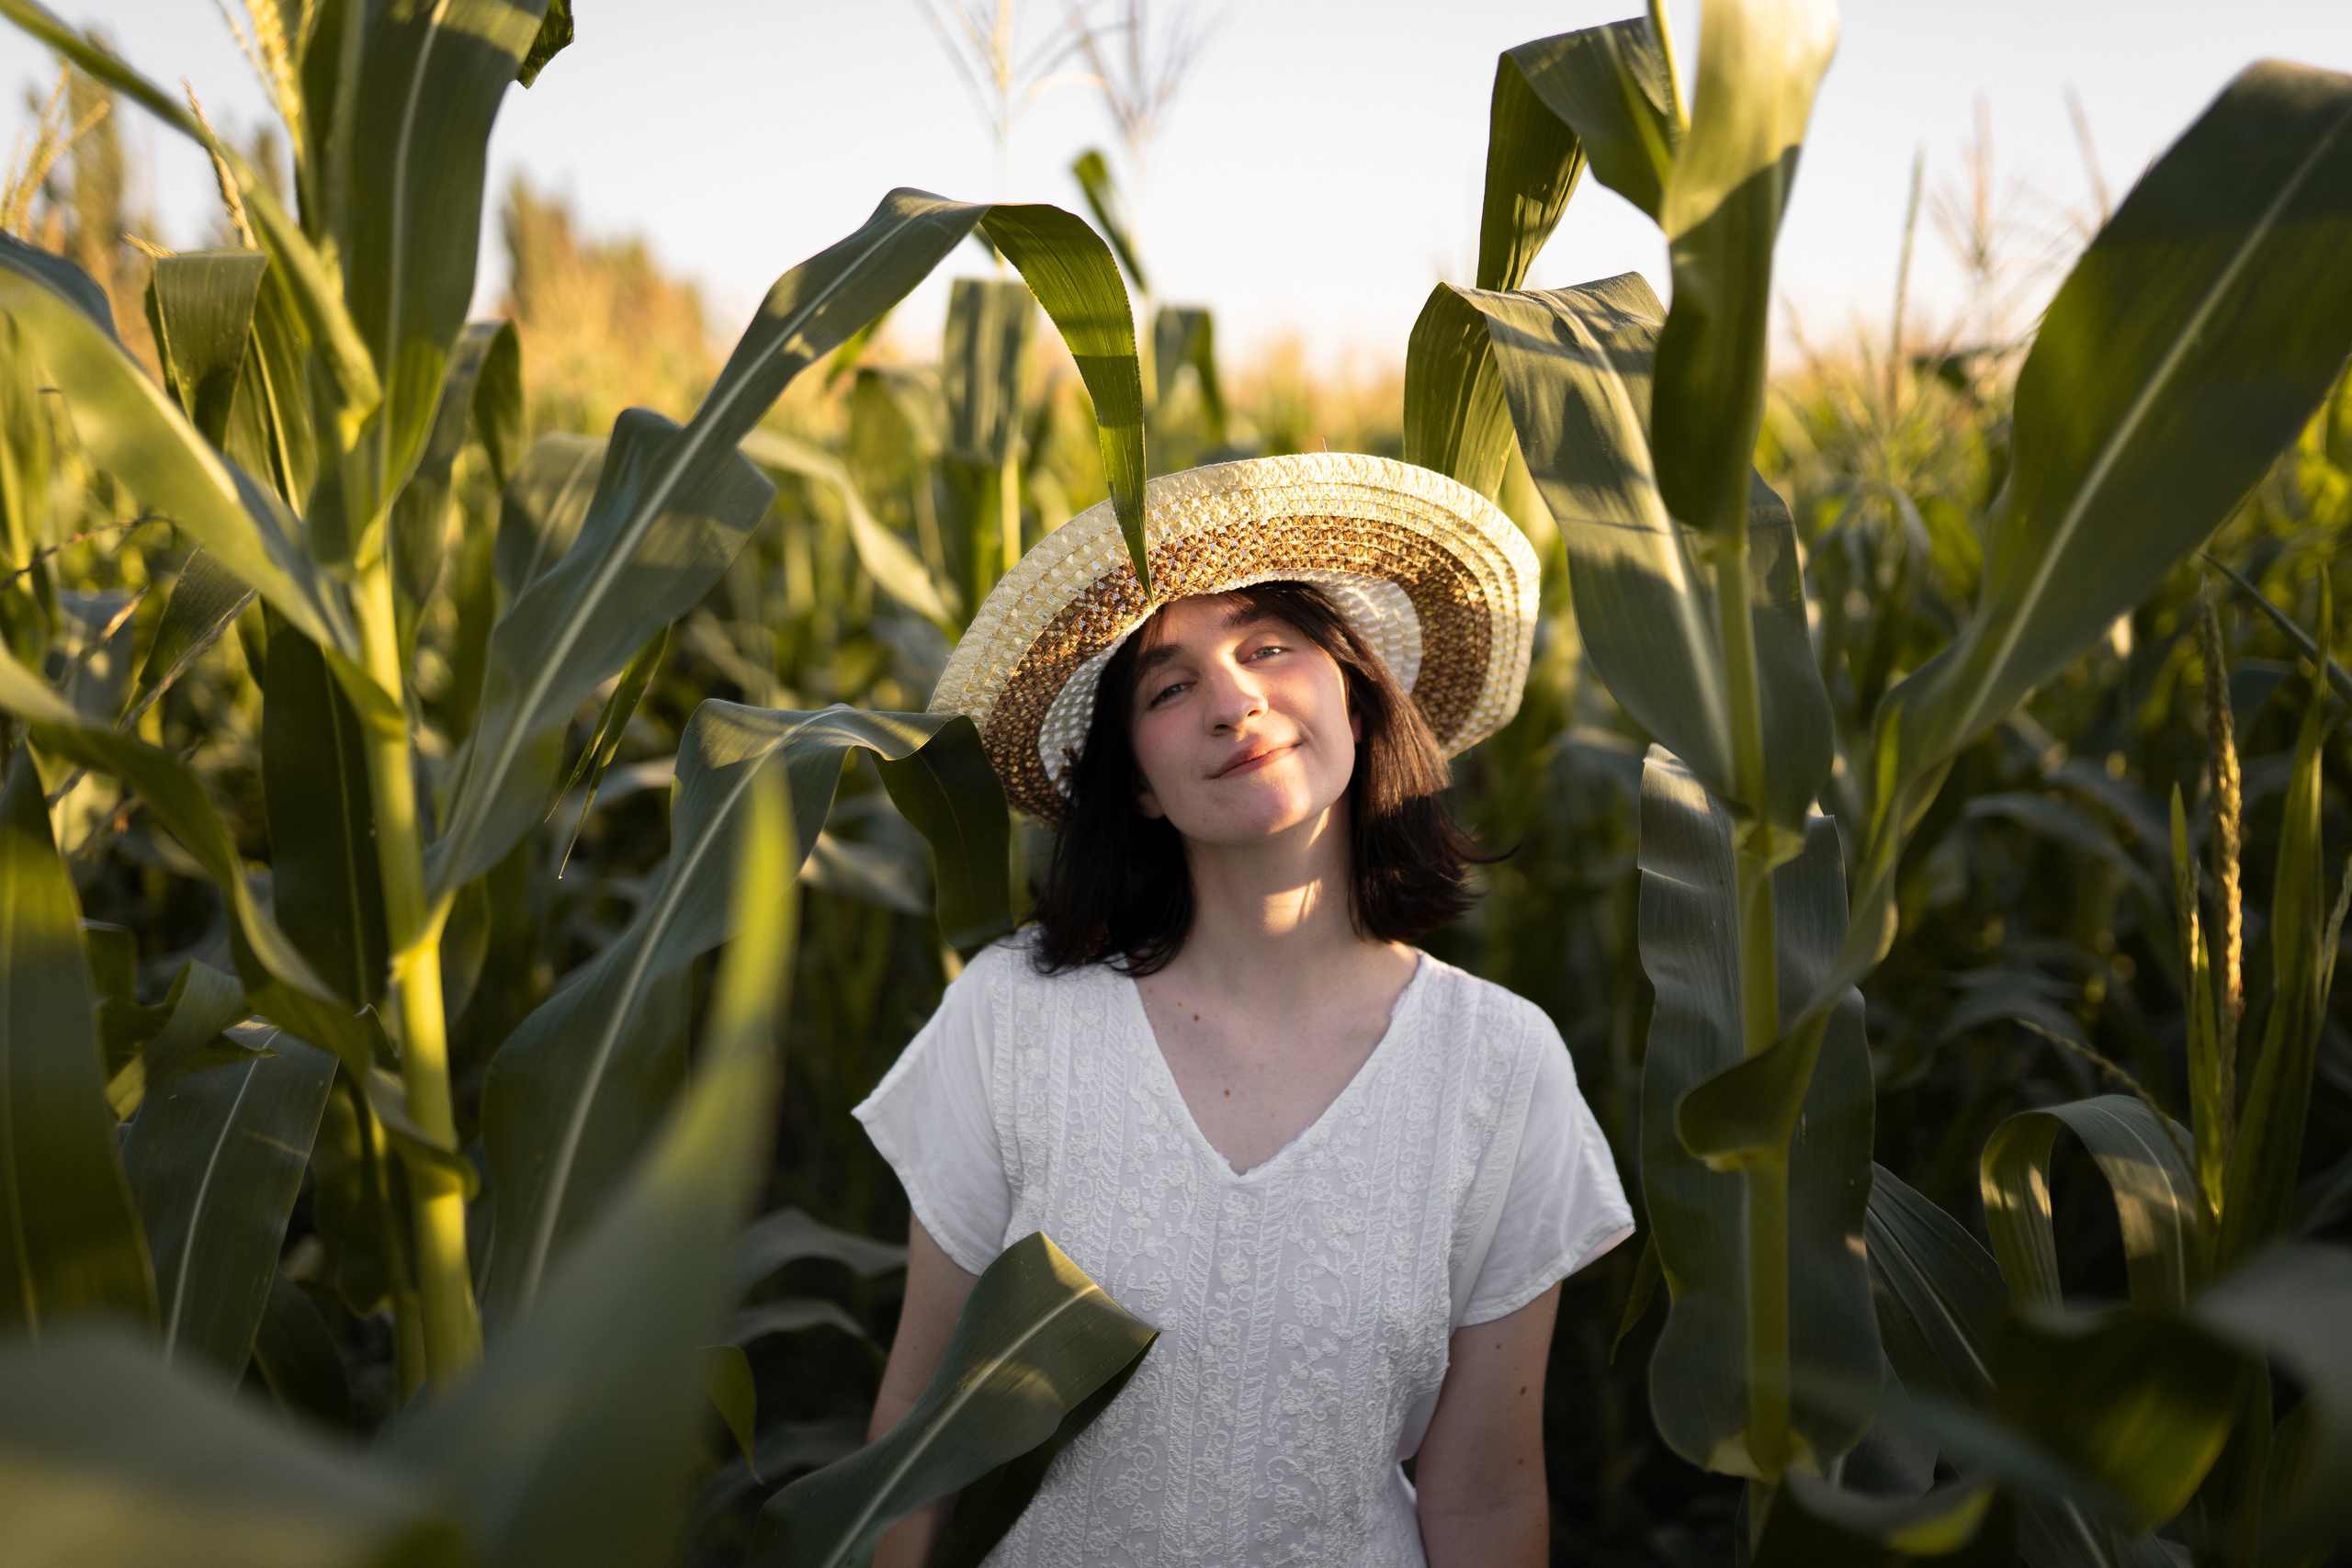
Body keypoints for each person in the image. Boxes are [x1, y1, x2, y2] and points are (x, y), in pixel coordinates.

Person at [855, 453, 1634, 1567]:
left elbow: (1486, 1496)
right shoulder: (1009, 1020)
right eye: (1170, 688)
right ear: (1132, 781)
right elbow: (918, 1438)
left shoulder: (1499, 1063)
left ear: (1358, 699)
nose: (1234, 700)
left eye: (1270, 646)